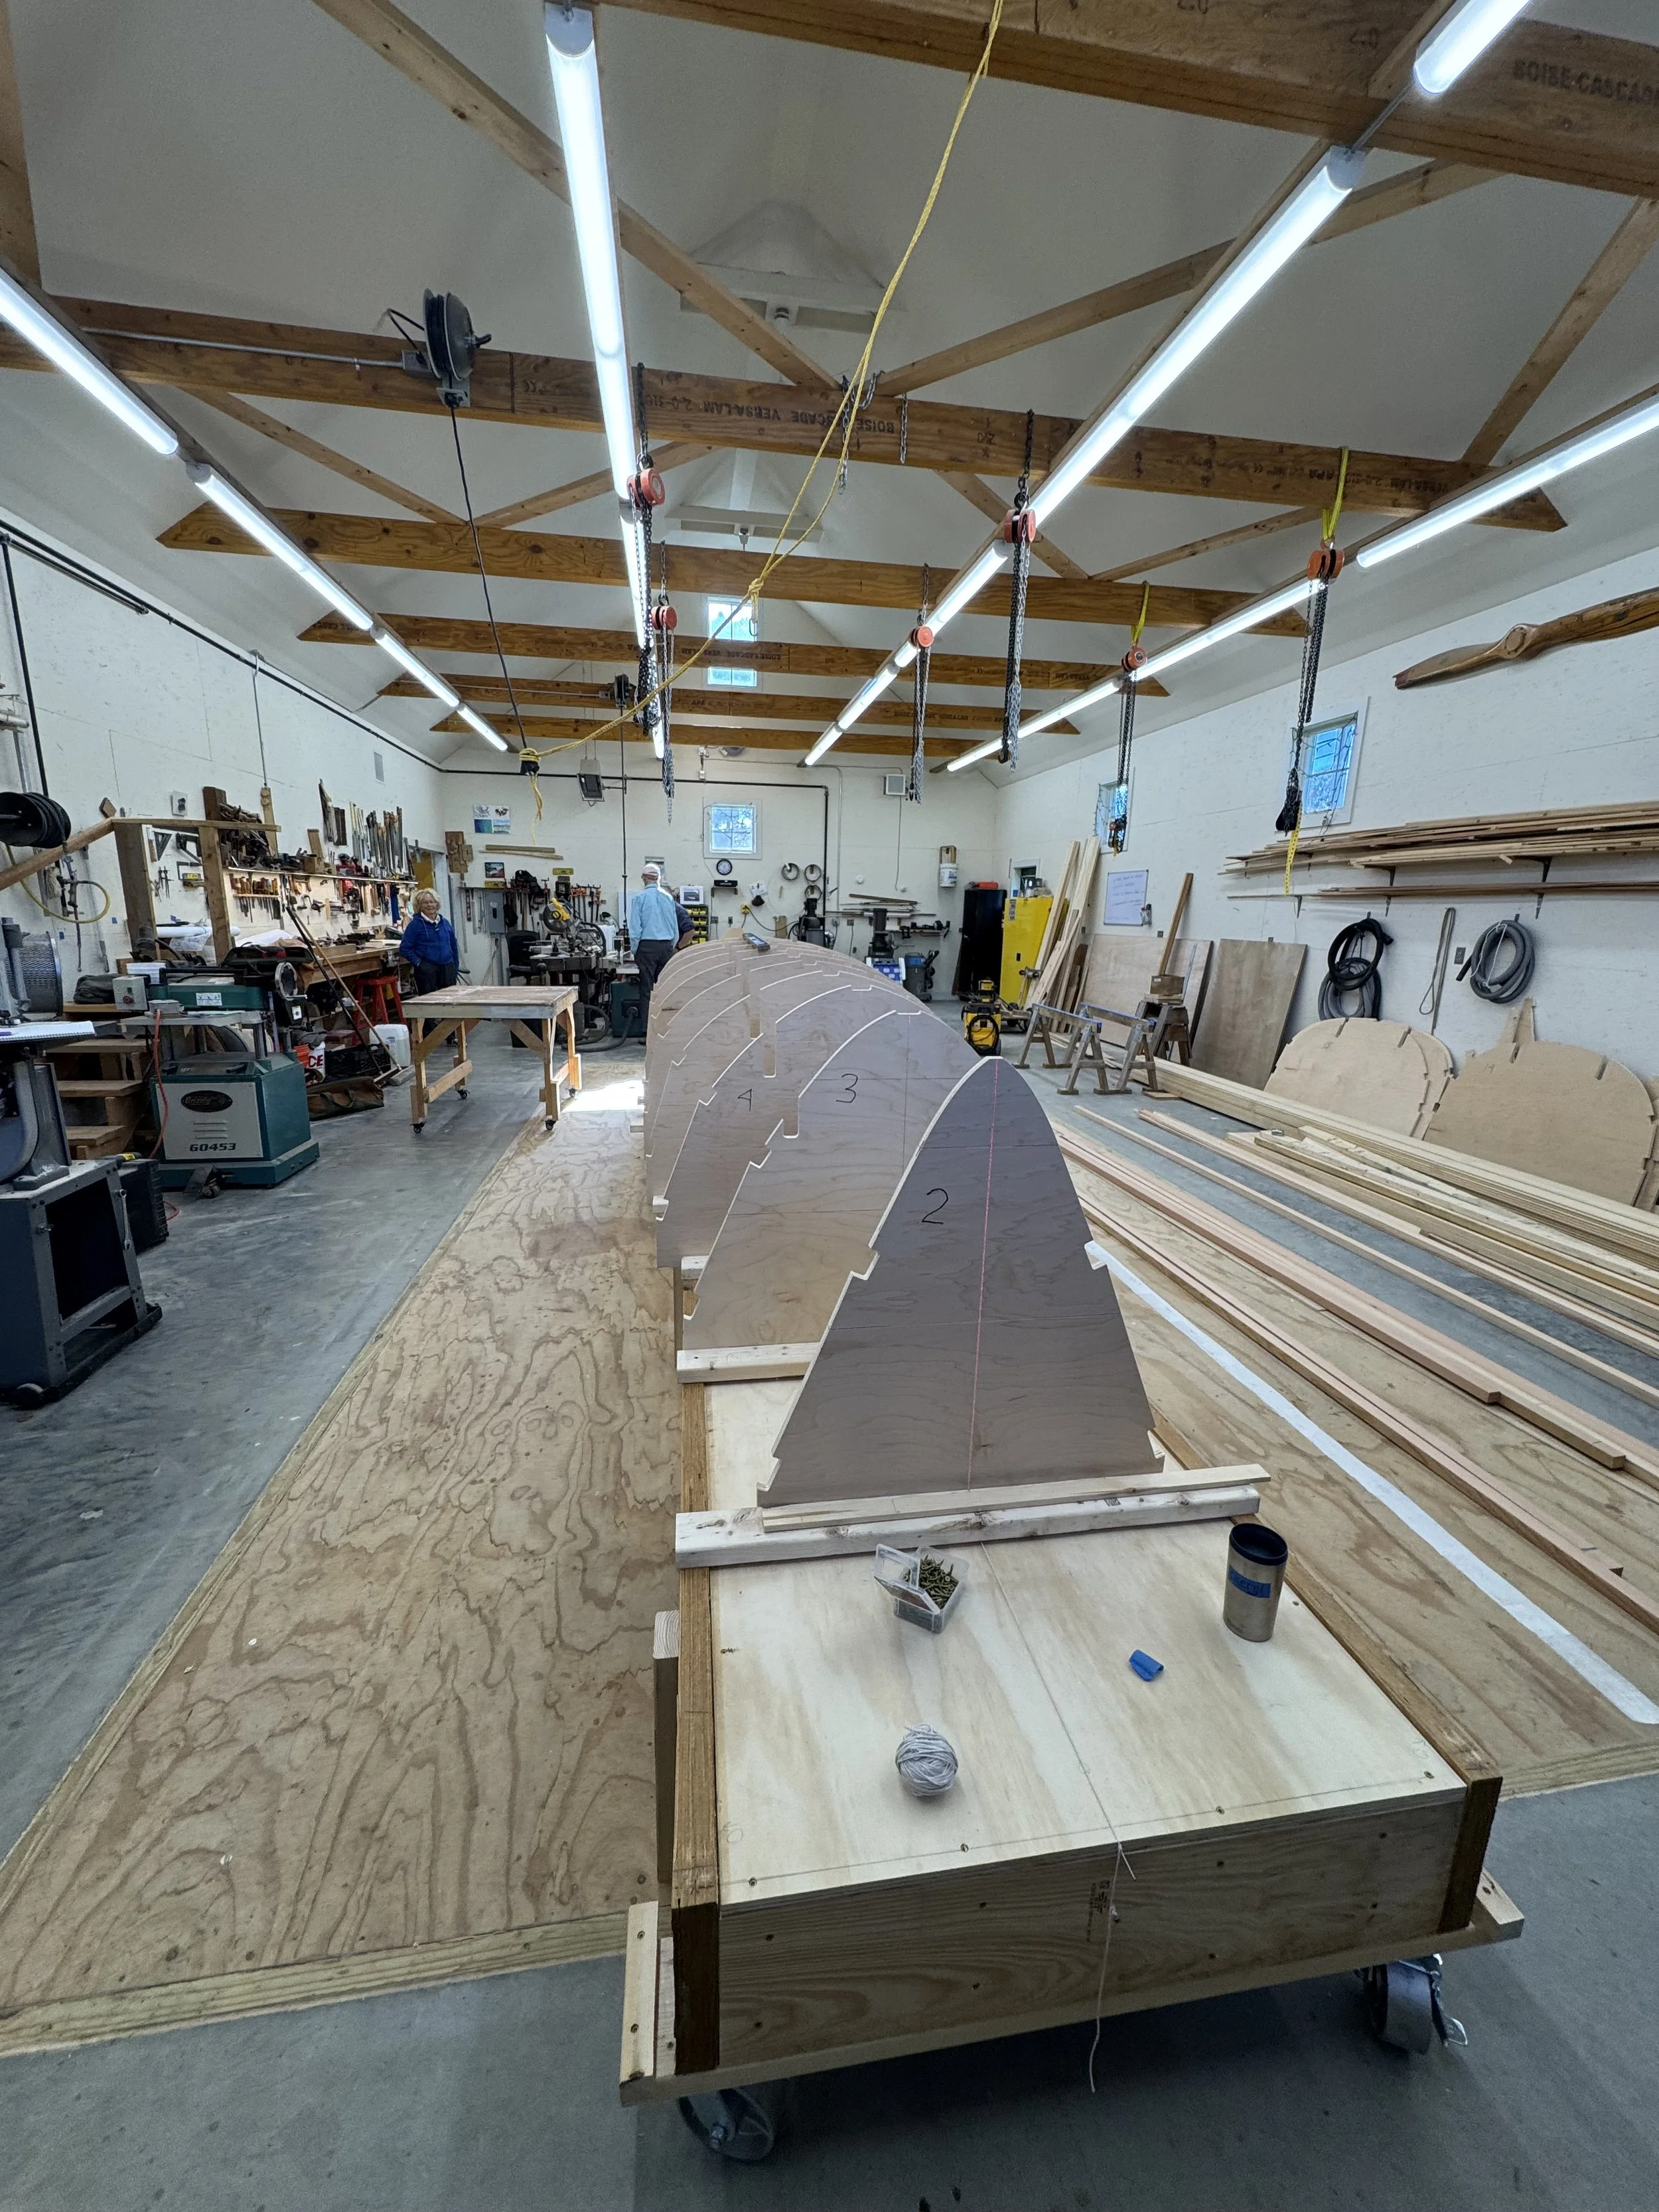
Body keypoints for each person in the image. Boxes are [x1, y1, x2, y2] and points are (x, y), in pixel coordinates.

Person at [626, 863, 681, 1023]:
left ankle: (647, 1031)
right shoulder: (668, 898)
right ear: (659, 879)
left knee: (647, 990)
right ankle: (664, 1028)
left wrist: (635, 950)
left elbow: (636, 929)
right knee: (664, 989)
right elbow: (674, 928)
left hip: (646, 947)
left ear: (644, 879)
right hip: (665, 946)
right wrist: (671, 946)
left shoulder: (639, 899)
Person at [399, 887, 459, 996]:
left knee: (451, 1004)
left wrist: (455, 967)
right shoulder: (415, 925)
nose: (429, 905)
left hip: (447, 969)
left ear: (437, 904)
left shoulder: (445, 923)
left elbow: (453, 946)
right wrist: (419, 963)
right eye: (425, 903)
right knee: (430, 1005)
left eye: (432, 902)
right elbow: (405, 948)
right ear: (419, 906)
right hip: (427, 971)